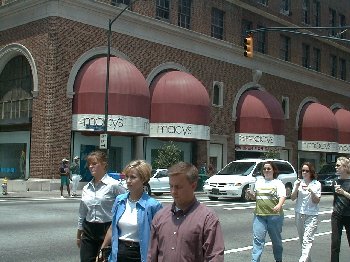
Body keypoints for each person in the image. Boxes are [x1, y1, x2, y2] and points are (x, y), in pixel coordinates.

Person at [147, 161, 225, 262]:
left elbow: (215, 256)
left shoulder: (207, 218)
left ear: (193, 186)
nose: (173, 191)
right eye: (171, 186)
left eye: (178, 187)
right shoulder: (160, 217)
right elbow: (152, 255)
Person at [98, 160, 162, 262]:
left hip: (140, 254)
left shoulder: (153, 205)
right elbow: (112, 228)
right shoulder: (120, 200)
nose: (128, 180)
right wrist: (102, 249)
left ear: (143, 179)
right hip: (118, 252)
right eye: (126, 177)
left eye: (133, 177)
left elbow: (160, 235)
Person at [76, 151, 126, 262]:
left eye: (94, 163)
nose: (90, 166)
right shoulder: (86, 188)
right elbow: (82, 212)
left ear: (103, 164)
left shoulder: (114, 185)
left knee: (103, 259)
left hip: (107, 229)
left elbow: (126, 203)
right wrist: (79, 234)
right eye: (89, 164)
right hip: (88, 230)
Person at [247, 161, 286, 262]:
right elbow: (255, 197)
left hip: (274, 216)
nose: (266, 171)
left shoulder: (278, 183)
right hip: (259, 215)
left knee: (276, 241)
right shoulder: (259, 182)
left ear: (273, 170)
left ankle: (278, 260)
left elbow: (282, 196)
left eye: (269, 169)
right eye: (264, 169)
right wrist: (250, 194)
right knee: (258, 241)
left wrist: (279, 205)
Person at [290, 162, 321, 262]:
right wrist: (296, 187)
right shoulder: (299, 182)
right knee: (303, 241)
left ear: (311, 172)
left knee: (307, 240)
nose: (304, 172)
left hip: (311, 215)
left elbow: (316, 201)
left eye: (307, 171)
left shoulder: (316, 184)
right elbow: (292, 198)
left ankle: (302, 260)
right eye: (303, 170)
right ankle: (307, 260)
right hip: (299, 213)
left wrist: (311, 191)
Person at [331, 156, 350, 262]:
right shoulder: (335, 182)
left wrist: (343, 192)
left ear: (345, 167)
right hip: (337, 215)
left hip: (349, 215)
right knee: (335, 243)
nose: (336, 167)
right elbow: (335, 199)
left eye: (338, 165)